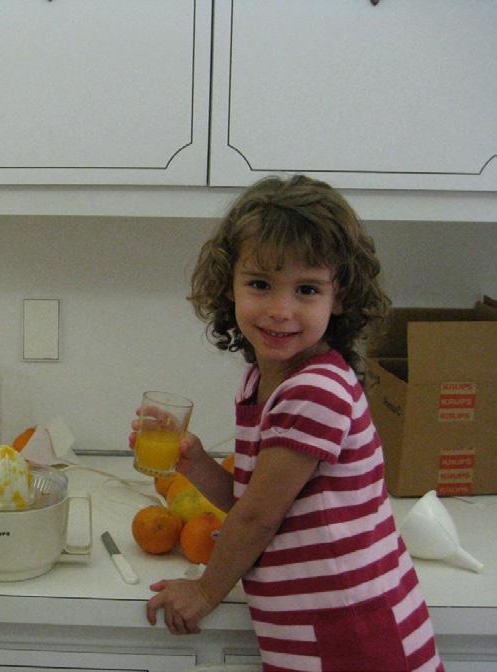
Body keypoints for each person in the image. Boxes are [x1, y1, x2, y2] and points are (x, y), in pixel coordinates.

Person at [134, 175, 444, 671]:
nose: (281, 310)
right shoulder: (263, 381)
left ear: (338, 296)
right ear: (230, 284)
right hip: (320, 629)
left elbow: (258, 519)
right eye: (260, 284)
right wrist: (193, 460)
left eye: (307, 289)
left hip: (353, 635)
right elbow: (252, 502)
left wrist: (206, 591)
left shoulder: (314, 391)